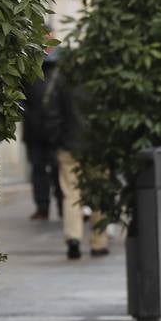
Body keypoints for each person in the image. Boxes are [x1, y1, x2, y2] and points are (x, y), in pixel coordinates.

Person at [43, 59, 110, 260]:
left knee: (71, 192)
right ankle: (99, 243)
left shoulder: (63, 80)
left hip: (69, 145)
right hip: (97, 146)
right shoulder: (101, 81)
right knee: (99, 193)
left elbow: (52, 111)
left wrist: (57, 140)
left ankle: (73, 238)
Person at [22, 47, 62, 220]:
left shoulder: (59, 71)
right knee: (39, 170)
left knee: (58, 170)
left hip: (54, 130)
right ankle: (43, 206)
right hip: (35, 131)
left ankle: (62, 206)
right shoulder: (29, 70)